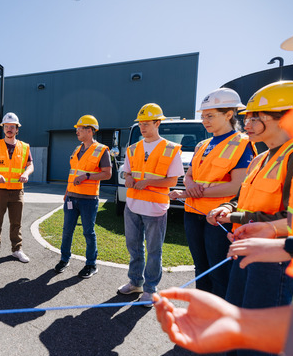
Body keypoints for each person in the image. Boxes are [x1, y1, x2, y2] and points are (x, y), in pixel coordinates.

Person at [154, 7, 293, 356]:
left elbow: (290, 217)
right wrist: (235, 213)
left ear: (287, 116)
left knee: (257, 349)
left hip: (276, 262)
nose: (249, 123)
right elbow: (262, 205)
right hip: (257, 245)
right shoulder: (265, 156)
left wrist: (269, 230)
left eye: (256, 117)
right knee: (242, 332)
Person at [169, 89, 253, 298]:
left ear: (229, 114)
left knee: (218, 271)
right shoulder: (202, 144)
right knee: (201, 268)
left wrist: (197, 191)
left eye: (210, 115)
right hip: (192, 213)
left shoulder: (242, 143)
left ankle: (220, 318)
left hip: (218, 219)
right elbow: (189, 176)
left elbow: (236, 186)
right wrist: (190, 187)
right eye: (203, 116)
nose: (205, 121)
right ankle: (203, 312)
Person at [116, 104, 183, 306]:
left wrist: (149, 182)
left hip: (155, 207)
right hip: (133, 206)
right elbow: (127, 172)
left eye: (146, 124)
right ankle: (135, 282)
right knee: (134, 247)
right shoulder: (133, 148)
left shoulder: (171, 149)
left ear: (157, 123)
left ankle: (151, 289)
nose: (142, 127)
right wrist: (128, 177)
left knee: (154, 251)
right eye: (141, 124)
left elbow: (172, 181)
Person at [54, 114, 111, 278]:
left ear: (90, 130)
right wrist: (67, 194)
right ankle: (64, 259)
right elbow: (72, 174)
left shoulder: (101, 150)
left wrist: (86, 177)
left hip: (88, 199)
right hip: (71, 197)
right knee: (67, 230)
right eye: (77, 128)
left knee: (88, 232)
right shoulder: (77, 149)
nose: (77, 131)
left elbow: (107, 174)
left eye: (79, 128)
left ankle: (91, 264)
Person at [0, 112, 34, 265]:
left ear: (17, 129)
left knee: (16, 223)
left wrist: (26, 173)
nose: (9, 129)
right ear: (3, 128)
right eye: (7, 126)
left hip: (17, 190)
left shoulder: (24, 147)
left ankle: (17, 250)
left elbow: (30, 165)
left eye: (13, 127)